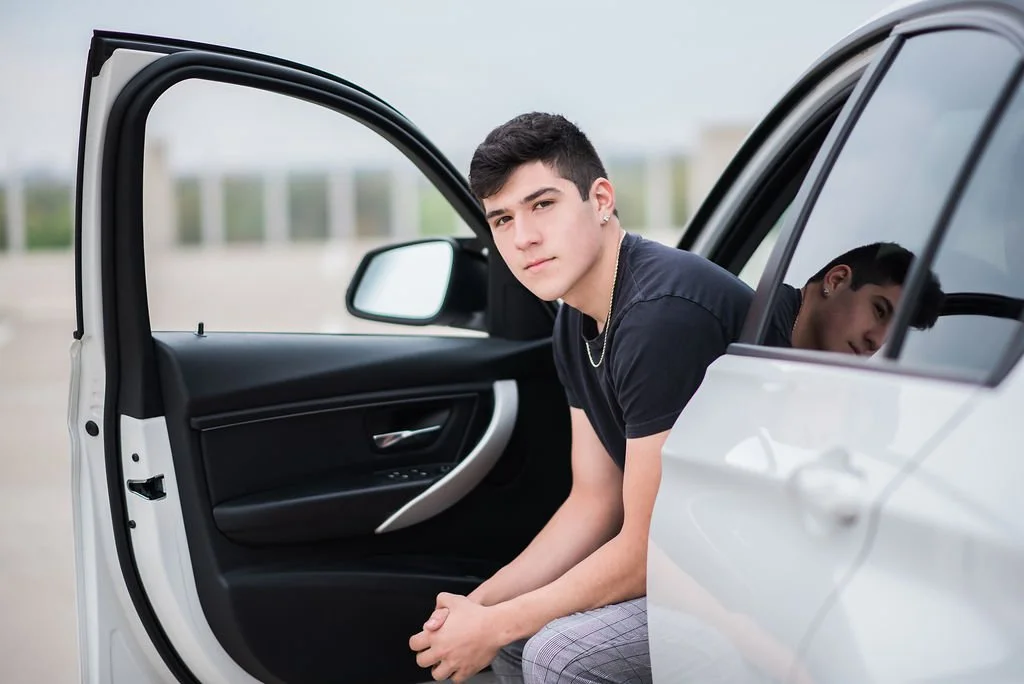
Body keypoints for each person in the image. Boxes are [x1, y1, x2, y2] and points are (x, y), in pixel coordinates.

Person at [407, 112, 755, 684]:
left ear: (601, 201)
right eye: (503, 219)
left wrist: (497, 623)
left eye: (543, 205)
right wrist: (479, 608)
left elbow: (646, 549)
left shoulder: (659, 317)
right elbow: (593, 500)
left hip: (755, 576)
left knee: (555, 653)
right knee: (511, 638)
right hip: (700, 560)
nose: (523, 237)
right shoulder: (575, 318)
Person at [764, 242, 944, 354]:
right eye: (879, 311)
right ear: (836, 281)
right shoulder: (752, 320)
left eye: (895, 332)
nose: (877, 341)